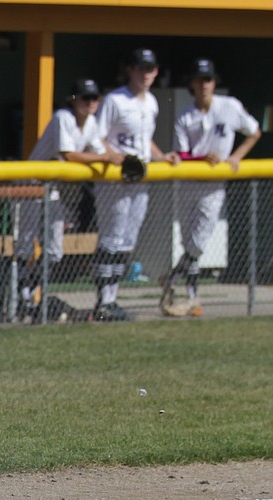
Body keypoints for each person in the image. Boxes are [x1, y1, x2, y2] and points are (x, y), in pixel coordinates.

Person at [15, 79, 123, 319]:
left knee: (54, 250)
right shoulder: (62, 117)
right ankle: (20, 298)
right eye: (86, 98)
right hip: (30, 184)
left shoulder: (92, 123)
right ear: (73, 100)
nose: (91, 103)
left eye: (95, 98)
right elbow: (68, 155)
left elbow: (98, 152)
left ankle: (28, 293)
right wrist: (106, 159)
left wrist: (117, 157)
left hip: (51, 190)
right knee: (24, 247)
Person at [165, 58, 261, 317]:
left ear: (214, 82)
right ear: (191, 84)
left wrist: (237, 156)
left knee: (198, 243)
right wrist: (199, 158)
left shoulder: (229, 106)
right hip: (188, 182)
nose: (204, 84)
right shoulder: (186, 115)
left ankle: (172, 280)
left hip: (214, 185)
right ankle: (192, 297)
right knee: (188, 242)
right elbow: (181, 153)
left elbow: (254, 131)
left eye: (208, 79)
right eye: (199, 79)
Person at [91, 48, 180, 322]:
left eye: (150, 69)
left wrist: (161, 155)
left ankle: (112, 299)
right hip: (115, 180)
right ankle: (103, 302)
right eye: (140, 68)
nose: (146, 74)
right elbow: (96, 137)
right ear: (129, 70)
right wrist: (117, 158)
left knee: (128, 241)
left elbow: (145, 140)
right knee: (111, 238)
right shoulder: (115, 100)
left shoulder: (151, 102)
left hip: (140, 179)